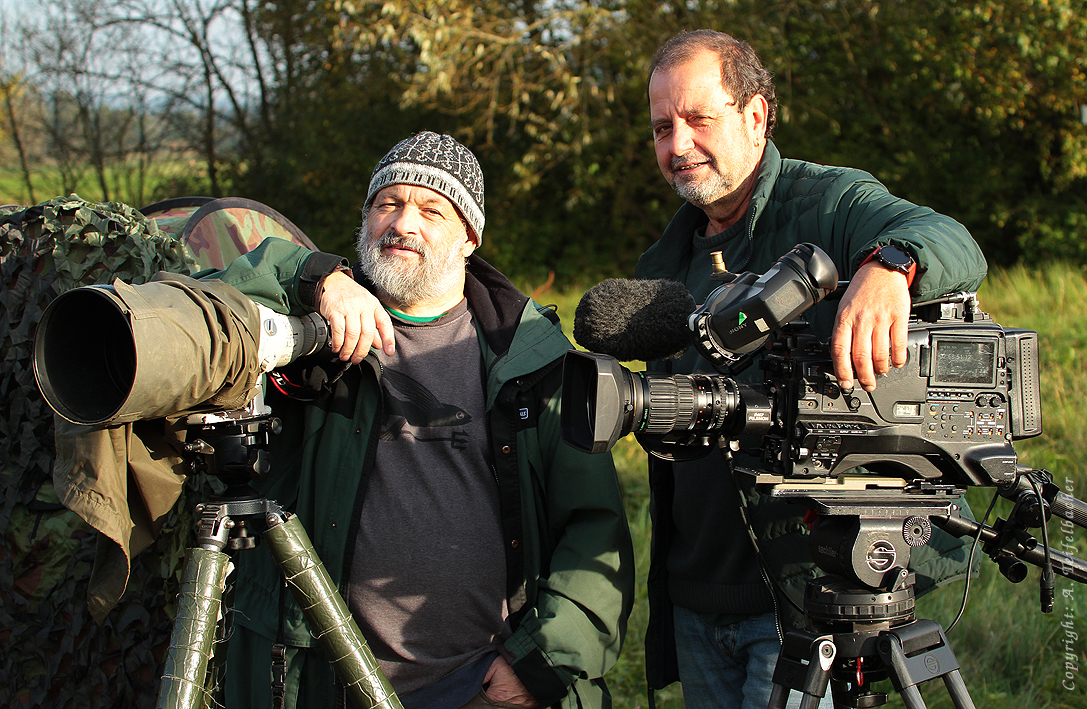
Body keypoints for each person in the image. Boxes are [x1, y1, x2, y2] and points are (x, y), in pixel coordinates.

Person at [211, 131, 635, 709]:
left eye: (431, 209)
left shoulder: (534, 356)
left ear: (468, 238)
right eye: (387, 204)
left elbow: (595, 531)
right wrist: (314, 277)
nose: (403, 223)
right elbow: (207, 309)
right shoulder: (308, 331)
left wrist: (538, 665)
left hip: (479, 685)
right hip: (322, 681)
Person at [636, 30, 988, 708]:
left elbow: (950, 238)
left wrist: (890, 266)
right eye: (660, 127)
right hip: (695, 598)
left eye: (697, 118)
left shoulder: (827, 201)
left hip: (808, 601)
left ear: (756, 115)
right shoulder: (663, 262)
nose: (676, 145)